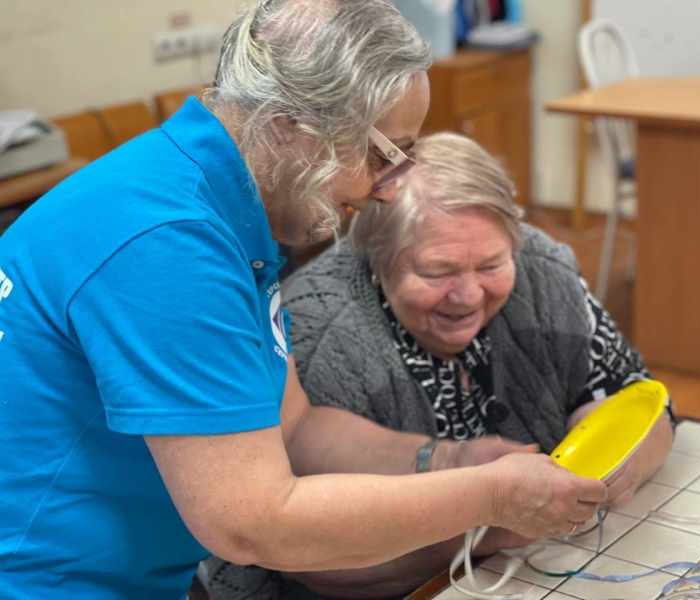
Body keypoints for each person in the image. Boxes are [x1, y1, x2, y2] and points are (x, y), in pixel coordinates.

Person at [0, 2, 607, 599]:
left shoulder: (224, 201)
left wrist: (455, 461)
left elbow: (296, 426)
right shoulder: (168, 242)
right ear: (291, 123)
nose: (387, 190)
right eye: (381, 155)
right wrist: (492, 497)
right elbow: (254, 522)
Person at [261, 132, 675, 599]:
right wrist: (489, 525)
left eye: (492, 266)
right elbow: (312, 560)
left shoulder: (542, 271)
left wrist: (609, 467)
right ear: (378, 260)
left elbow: (640, 397)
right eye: (437, 272)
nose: (469, 295)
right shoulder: (316, 332)